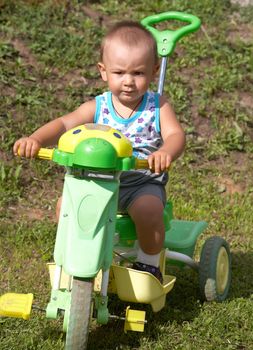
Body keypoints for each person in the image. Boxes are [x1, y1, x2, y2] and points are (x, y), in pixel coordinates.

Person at [13, 21, 185, 283]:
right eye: (119, 72)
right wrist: (36, 139)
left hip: (141, 182)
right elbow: (64, 123)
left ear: (154, 70)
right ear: (103, 72)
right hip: (96, 182)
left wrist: (165, 153)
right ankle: (74, 257)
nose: (128, 82)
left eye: (138, 73)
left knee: (149, 211)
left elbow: (175, 135)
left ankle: (148, 263)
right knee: (65, 207)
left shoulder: (157, 105)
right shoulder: (98, 106)